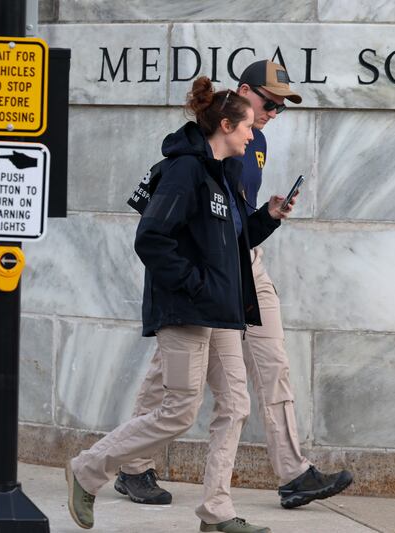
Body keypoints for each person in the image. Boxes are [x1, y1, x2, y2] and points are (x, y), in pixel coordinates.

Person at [114, 60, 353, 510]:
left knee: (273, 363)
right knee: (170, 372)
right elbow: (161, 223)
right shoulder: (208, 139)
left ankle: (294, 473)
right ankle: (131, 466)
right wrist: (193, 277)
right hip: (207, 272)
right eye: (269, 103)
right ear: (244, 92)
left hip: (246, 264)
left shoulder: (254, 140)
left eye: (281, 108)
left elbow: (239, 219)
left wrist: (269, 217)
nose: (272, 115)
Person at [66, 76, 294, 533]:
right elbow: (151, 239)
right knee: (179, 412)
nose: (254, 136)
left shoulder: (224, 174)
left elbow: (231, 241)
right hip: (189, 310)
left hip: (222, 311)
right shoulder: (185, 171)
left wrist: (266, 219)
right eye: (249, 126)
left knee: (235, 404)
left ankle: (217, 511)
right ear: (227, 125)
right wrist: (196, 286)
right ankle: (88, 469)